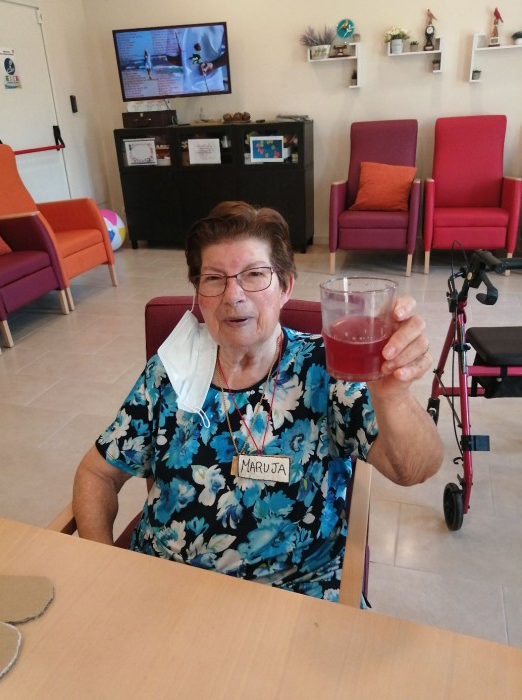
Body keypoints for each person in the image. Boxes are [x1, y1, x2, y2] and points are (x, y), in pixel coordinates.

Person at [73, 201, 443, 602]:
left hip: (291, 596)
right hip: (164, 585)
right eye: (214, 279)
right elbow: (96, 474)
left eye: (254, 275)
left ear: (285, 286)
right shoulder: (171, 371)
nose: (233, 295)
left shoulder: (327, 368)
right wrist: (102, 567)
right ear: (198, 293)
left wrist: (394, 396)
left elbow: (416, 469)